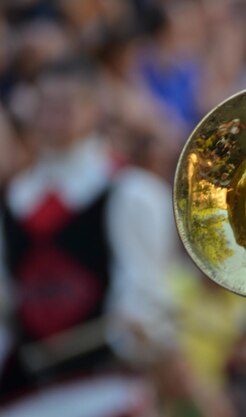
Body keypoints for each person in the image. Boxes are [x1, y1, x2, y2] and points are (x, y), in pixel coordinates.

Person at [0, 56, 176, 416]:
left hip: (107, 391)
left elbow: (146, 301)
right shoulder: (13, 200)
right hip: (28, 397)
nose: (54, 117)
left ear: (95, 108)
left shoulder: (131, 192)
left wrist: (142, 331)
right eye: (46, 105)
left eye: (67, 104)